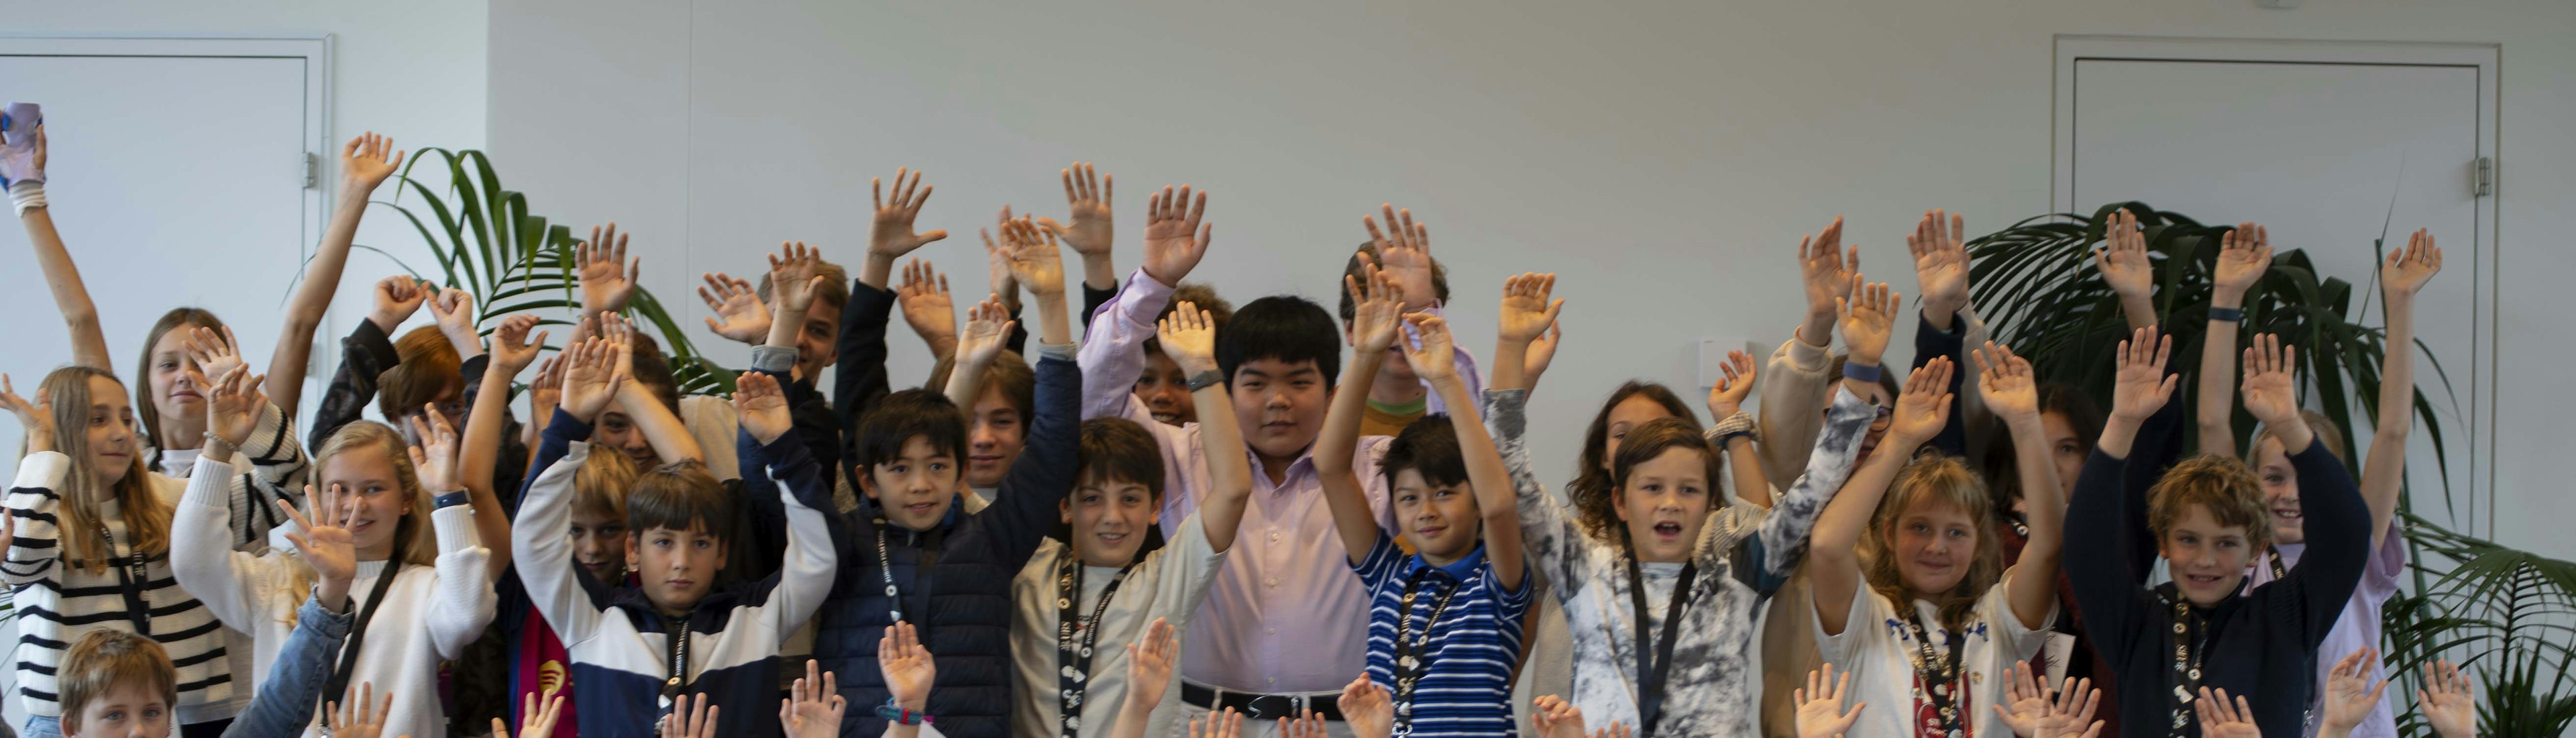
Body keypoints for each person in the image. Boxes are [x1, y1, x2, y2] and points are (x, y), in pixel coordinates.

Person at [1485, 275, 1876, 735]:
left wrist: (1864, 365)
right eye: (1652, 488)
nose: (1670, 503)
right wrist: (1511, 348)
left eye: (1688, 490)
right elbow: (1506, 470)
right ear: (1620, 500)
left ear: (1710, 501)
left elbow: (1823, 479)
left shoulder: (1741, 573)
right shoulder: (1583, 567)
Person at [1080, 191, 1395, 736]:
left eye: (1300, 382)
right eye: (1255, 383)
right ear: (1224, 386)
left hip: (1342, 724)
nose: (1279, 401)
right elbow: (1087, 402)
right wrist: (1151, 285)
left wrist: (1417, 320)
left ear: (1334, 390)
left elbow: (1470, 461)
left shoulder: (1382, 468)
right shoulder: (1180, 454)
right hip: (1202, 721)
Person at [812, 211, 1081, 738]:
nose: (920, 484)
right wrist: (877, 264)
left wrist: (1052, 304)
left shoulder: (994, 539)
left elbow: (1053, 444)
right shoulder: (842, 542)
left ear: (959, 470)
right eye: (902, 469)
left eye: (938, 466)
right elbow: (850, 404)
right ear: (869, 480)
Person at [515, 331, 840, 737]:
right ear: (633, 549)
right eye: (664, 543)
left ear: (722, 552)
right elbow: (533, 541)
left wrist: (782, 445)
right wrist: (569, 423)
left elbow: (819, 556)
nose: (682, 561)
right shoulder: (593, 618)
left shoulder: (756, 617)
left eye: (700, 543)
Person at [168, 358, 503, 737]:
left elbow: (470, 614)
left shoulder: (425, 586)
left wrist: (447, 495)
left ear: (407, 499)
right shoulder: (275, 580)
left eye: (373, 489)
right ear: (317, 495)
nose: (353, 505)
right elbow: (192, 562)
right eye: (338, 490)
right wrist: (217, 448)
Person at [2196, 226, 2441, 738]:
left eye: (2306, 477)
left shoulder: (2355, 551)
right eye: (2272, 477)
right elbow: (2213, 426)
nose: (2290, 494)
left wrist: (2399, 304)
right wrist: (2226, 298)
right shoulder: (2239, 557)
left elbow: (2393, 431)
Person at [2063, 327, 2368, 737]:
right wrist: (2122, 423)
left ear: (2257, 549)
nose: (2206, 560)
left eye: (2226, 543)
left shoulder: (2284, 619)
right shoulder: (2136, 622)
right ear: (2164, 543)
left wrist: (2290, 425)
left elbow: (2348, 532)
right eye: (2189, 540)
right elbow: (2087, 545)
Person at [2, 360, 313, 738]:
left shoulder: (168, 498)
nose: (121, 435)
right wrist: (40, 441)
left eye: (126, 419)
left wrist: (252, 420)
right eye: (98, 420)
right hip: (65, 723)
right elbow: (20, 561)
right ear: (61, 431)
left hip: (168, 718)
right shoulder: (31, 509)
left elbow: (289, 490)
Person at [1806, 331, 2066, 736]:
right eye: (1920, 527)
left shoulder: (2000, 619)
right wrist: (1900, 439)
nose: (1937, 546)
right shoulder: (1866, 617)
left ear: (1979, 541)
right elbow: (1825, 545)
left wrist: (2026, 423)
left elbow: (2048, 545)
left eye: (1957, 533)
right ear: (1889, 534)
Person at [1010, 300, 1247, 737]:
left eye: (1131, 499)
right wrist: (1049, 301)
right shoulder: (1028, 565)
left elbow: (1232, 488)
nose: (1113, 517)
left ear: (1157, 506)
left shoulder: (1165, 581)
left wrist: (1201, 369)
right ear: (1065, 505)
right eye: (1093, 498)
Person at [1315, 268, 1532, 735]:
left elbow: (1499, 506)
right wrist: (1366, 355)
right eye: (1409, 498)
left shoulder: (1497, 583)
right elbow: (1331, 468)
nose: (1426, 511)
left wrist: (1446, 380)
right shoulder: (1388, 574)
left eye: (1445, 492)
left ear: (1474, 500)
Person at [1333, 205, 1485, 438]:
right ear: (1350, 329)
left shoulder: (1468, 408)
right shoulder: (1318, 417)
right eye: (1385, 313)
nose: (1401, 328)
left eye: (1416, 312)